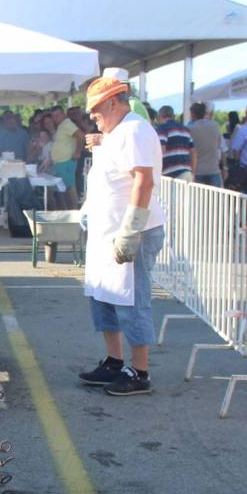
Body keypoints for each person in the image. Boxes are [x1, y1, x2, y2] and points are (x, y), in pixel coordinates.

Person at [77, 75, 167, 396]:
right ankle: (114, 362)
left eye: (97, 110)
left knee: (132, 299)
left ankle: (139, 371)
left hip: (131, 231)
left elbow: (143, 181)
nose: (93, 116)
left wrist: (130, 230)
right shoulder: (117, 132)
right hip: (106, 232)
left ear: (114, 103)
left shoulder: (135, 130)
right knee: (105, 296)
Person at [50, 105, 83, 208]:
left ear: (63, 114)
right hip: (61, 163)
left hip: (66, 162)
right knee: (64, 189)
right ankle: (70, 211)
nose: (56, 118)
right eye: (54, 116)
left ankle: (74, 211)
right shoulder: (62, 125)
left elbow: (80, 136)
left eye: (58, 115)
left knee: (70, 188)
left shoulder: (67, 123)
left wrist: (77, 152)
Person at [187, 103, 224, 187]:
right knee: (215, 199)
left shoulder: (190, 129)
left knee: (198, 199)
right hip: (214, 169)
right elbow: (220, 145)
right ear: (204, 113)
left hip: (197, 171)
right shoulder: (215, 126)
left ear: (192, 114)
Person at [153, 105, 195, 181]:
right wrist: (193, 172)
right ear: (173, 116)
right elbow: (193, 152)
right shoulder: (186, 130)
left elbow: (161, 150)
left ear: (160, 116)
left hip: (171, 177)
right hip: (187, 173)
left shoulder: (162, 128)